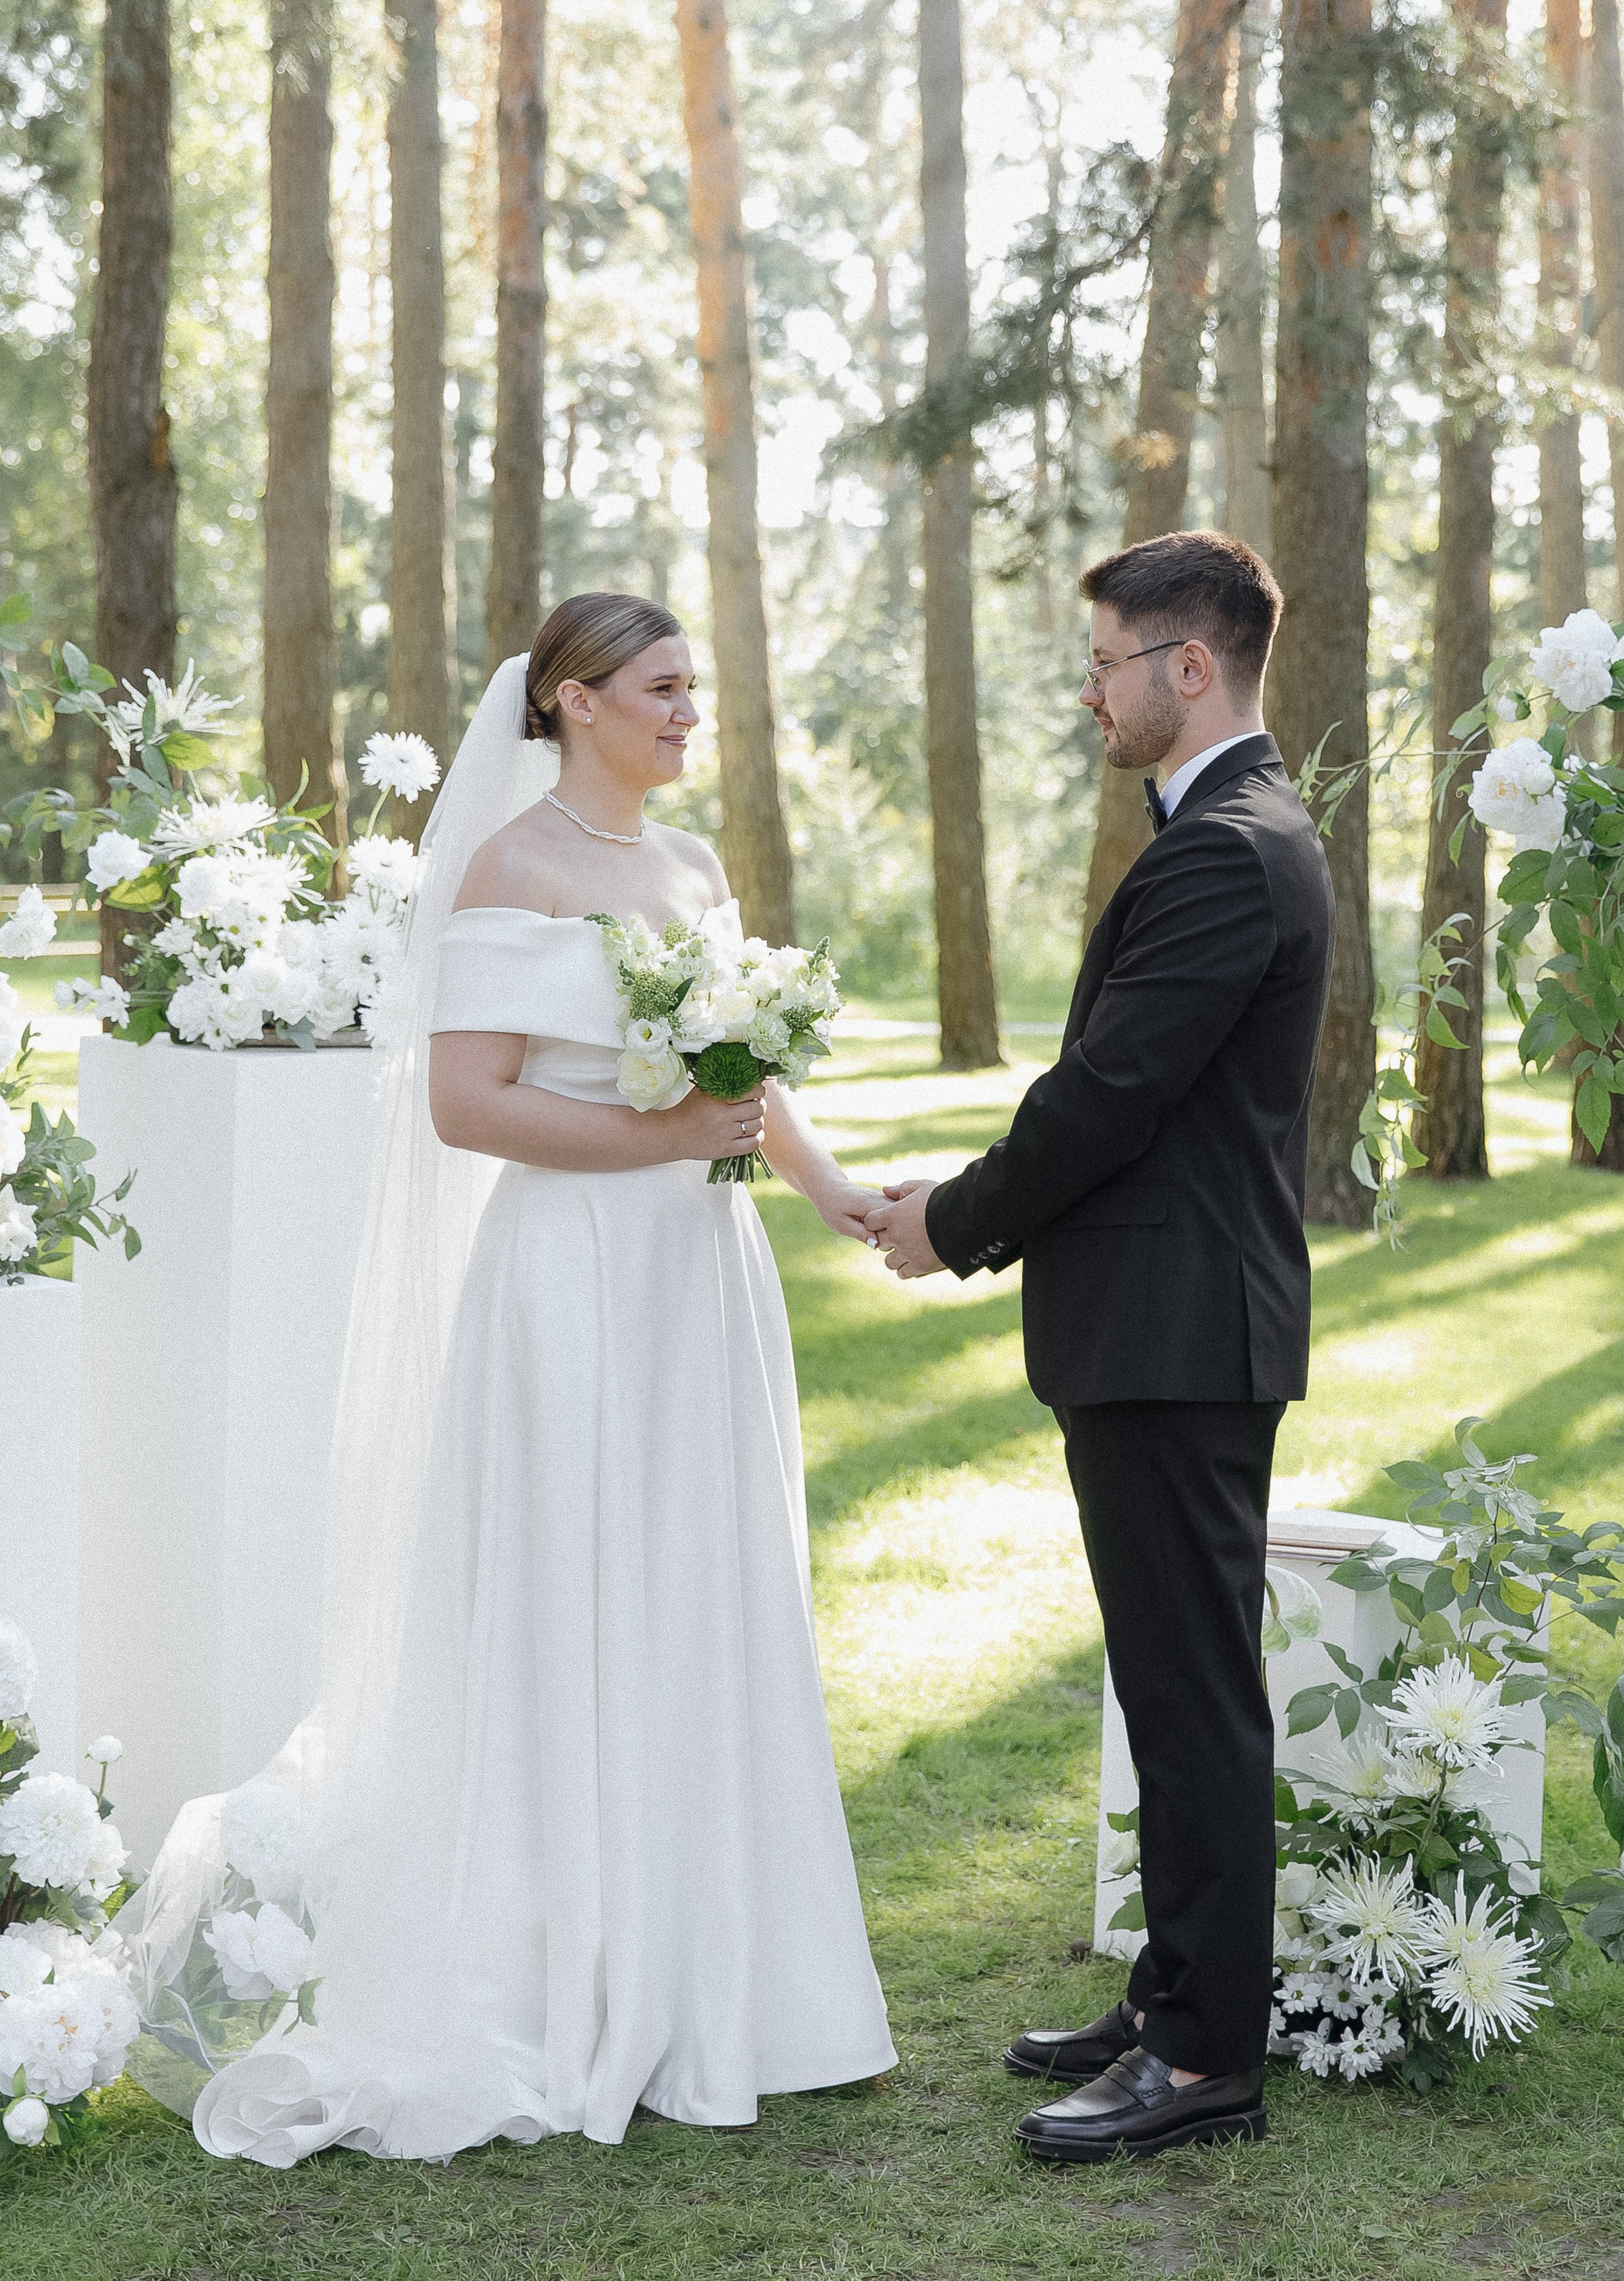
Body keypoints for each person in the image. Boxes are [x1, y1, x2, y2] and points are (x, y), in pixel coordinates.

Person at [121, 594, 895, 2163]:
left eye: (695, 689)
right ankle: (553, 1963)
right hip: (564, 1282)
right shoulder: (510, 869)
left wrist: (840, 1199)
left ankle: (714, 1974)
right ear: (572, 702)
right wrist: (660, 1139)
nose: (689, 713)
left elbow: (750, 1076)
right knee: (565, 1594)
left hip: (696, 1279)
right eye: (663, 689)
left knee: (695, 1591)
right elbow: (467, 1108)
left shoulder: (690, 870)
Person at [864, 530, 1333, 2164]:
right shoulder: (1224, 831)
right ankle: (1170, 1990)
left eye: (1106, 663)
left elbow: (1109, 1096)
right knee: (1167, 1683)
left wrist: (955, 1218)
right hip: (1164, 1324)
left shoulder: (1225, 850)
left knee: (1193, 1698)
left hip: (1176, 1332)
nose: (1090, 693)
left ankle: (1203, 2060)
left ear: (1185, 667)